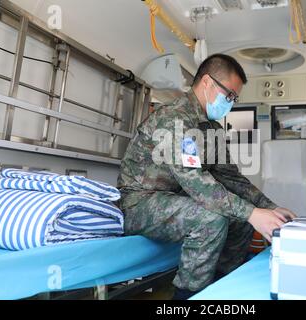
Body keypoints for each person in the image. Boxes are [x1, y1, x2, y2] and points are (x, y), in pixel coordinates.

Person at [117, 54, 296, 300]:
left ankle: (223, 287)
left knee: (241, 218)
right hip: (140, 203)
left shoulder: (212, 129)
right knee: (210, 218)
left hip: (176, 200)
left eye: (235, 98)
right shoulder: (174, 118)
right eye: (230, 95)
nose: (231, 103)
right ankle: (187, 297)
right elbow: (195, 181)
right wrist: (252, 213)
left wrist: (268, 208)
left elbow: (232, 178)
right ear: (208, 83)